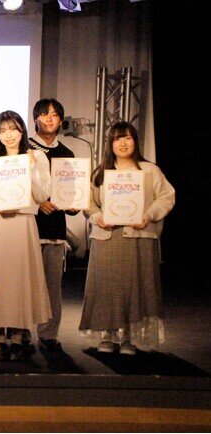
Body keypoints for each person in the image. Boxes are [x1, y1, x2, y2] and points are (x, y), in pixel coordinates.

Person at [79, 121, 175, 355]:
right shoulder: (101, 172)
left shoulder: (150, 170)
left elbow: (167, 196)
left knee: (135, 289)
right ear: (110, 144)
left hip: (139, 238)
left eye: (128, 138)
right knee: (107, 288)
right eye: (117, 139)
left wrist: (148, 215)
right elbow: (88, 202)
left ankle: (128, 338)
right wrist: (98, 217)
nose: (122, 143)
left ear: (135, 141)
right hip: (107, 239)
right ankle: (108, 336)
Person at [0, 110, 52, 362]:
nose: (9, 135)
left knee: (19, 281)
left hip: (23, 223)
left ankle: (16, 339)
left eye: (13, 129)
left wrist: (32, 168)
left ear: (22, 131)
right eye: (3, 130)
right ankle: (0, 340)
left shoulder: (37, 157)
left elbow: (43, 194)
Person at [27, 98, 80, 353]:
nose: (50, 119)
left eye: (55, 115)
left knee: (52, 286)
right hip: (27, 226)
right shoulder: (24, 148)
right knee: (24, 283)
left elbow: (72, 191)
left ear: (61, 121)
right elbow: (13, 189)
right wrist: (37, 205)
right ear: (35, 118)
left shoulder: (67, 154)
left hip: (56, 229)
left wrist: (73, 205)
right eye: (45, 114)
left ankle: (48, 335)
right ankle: (20, 333)